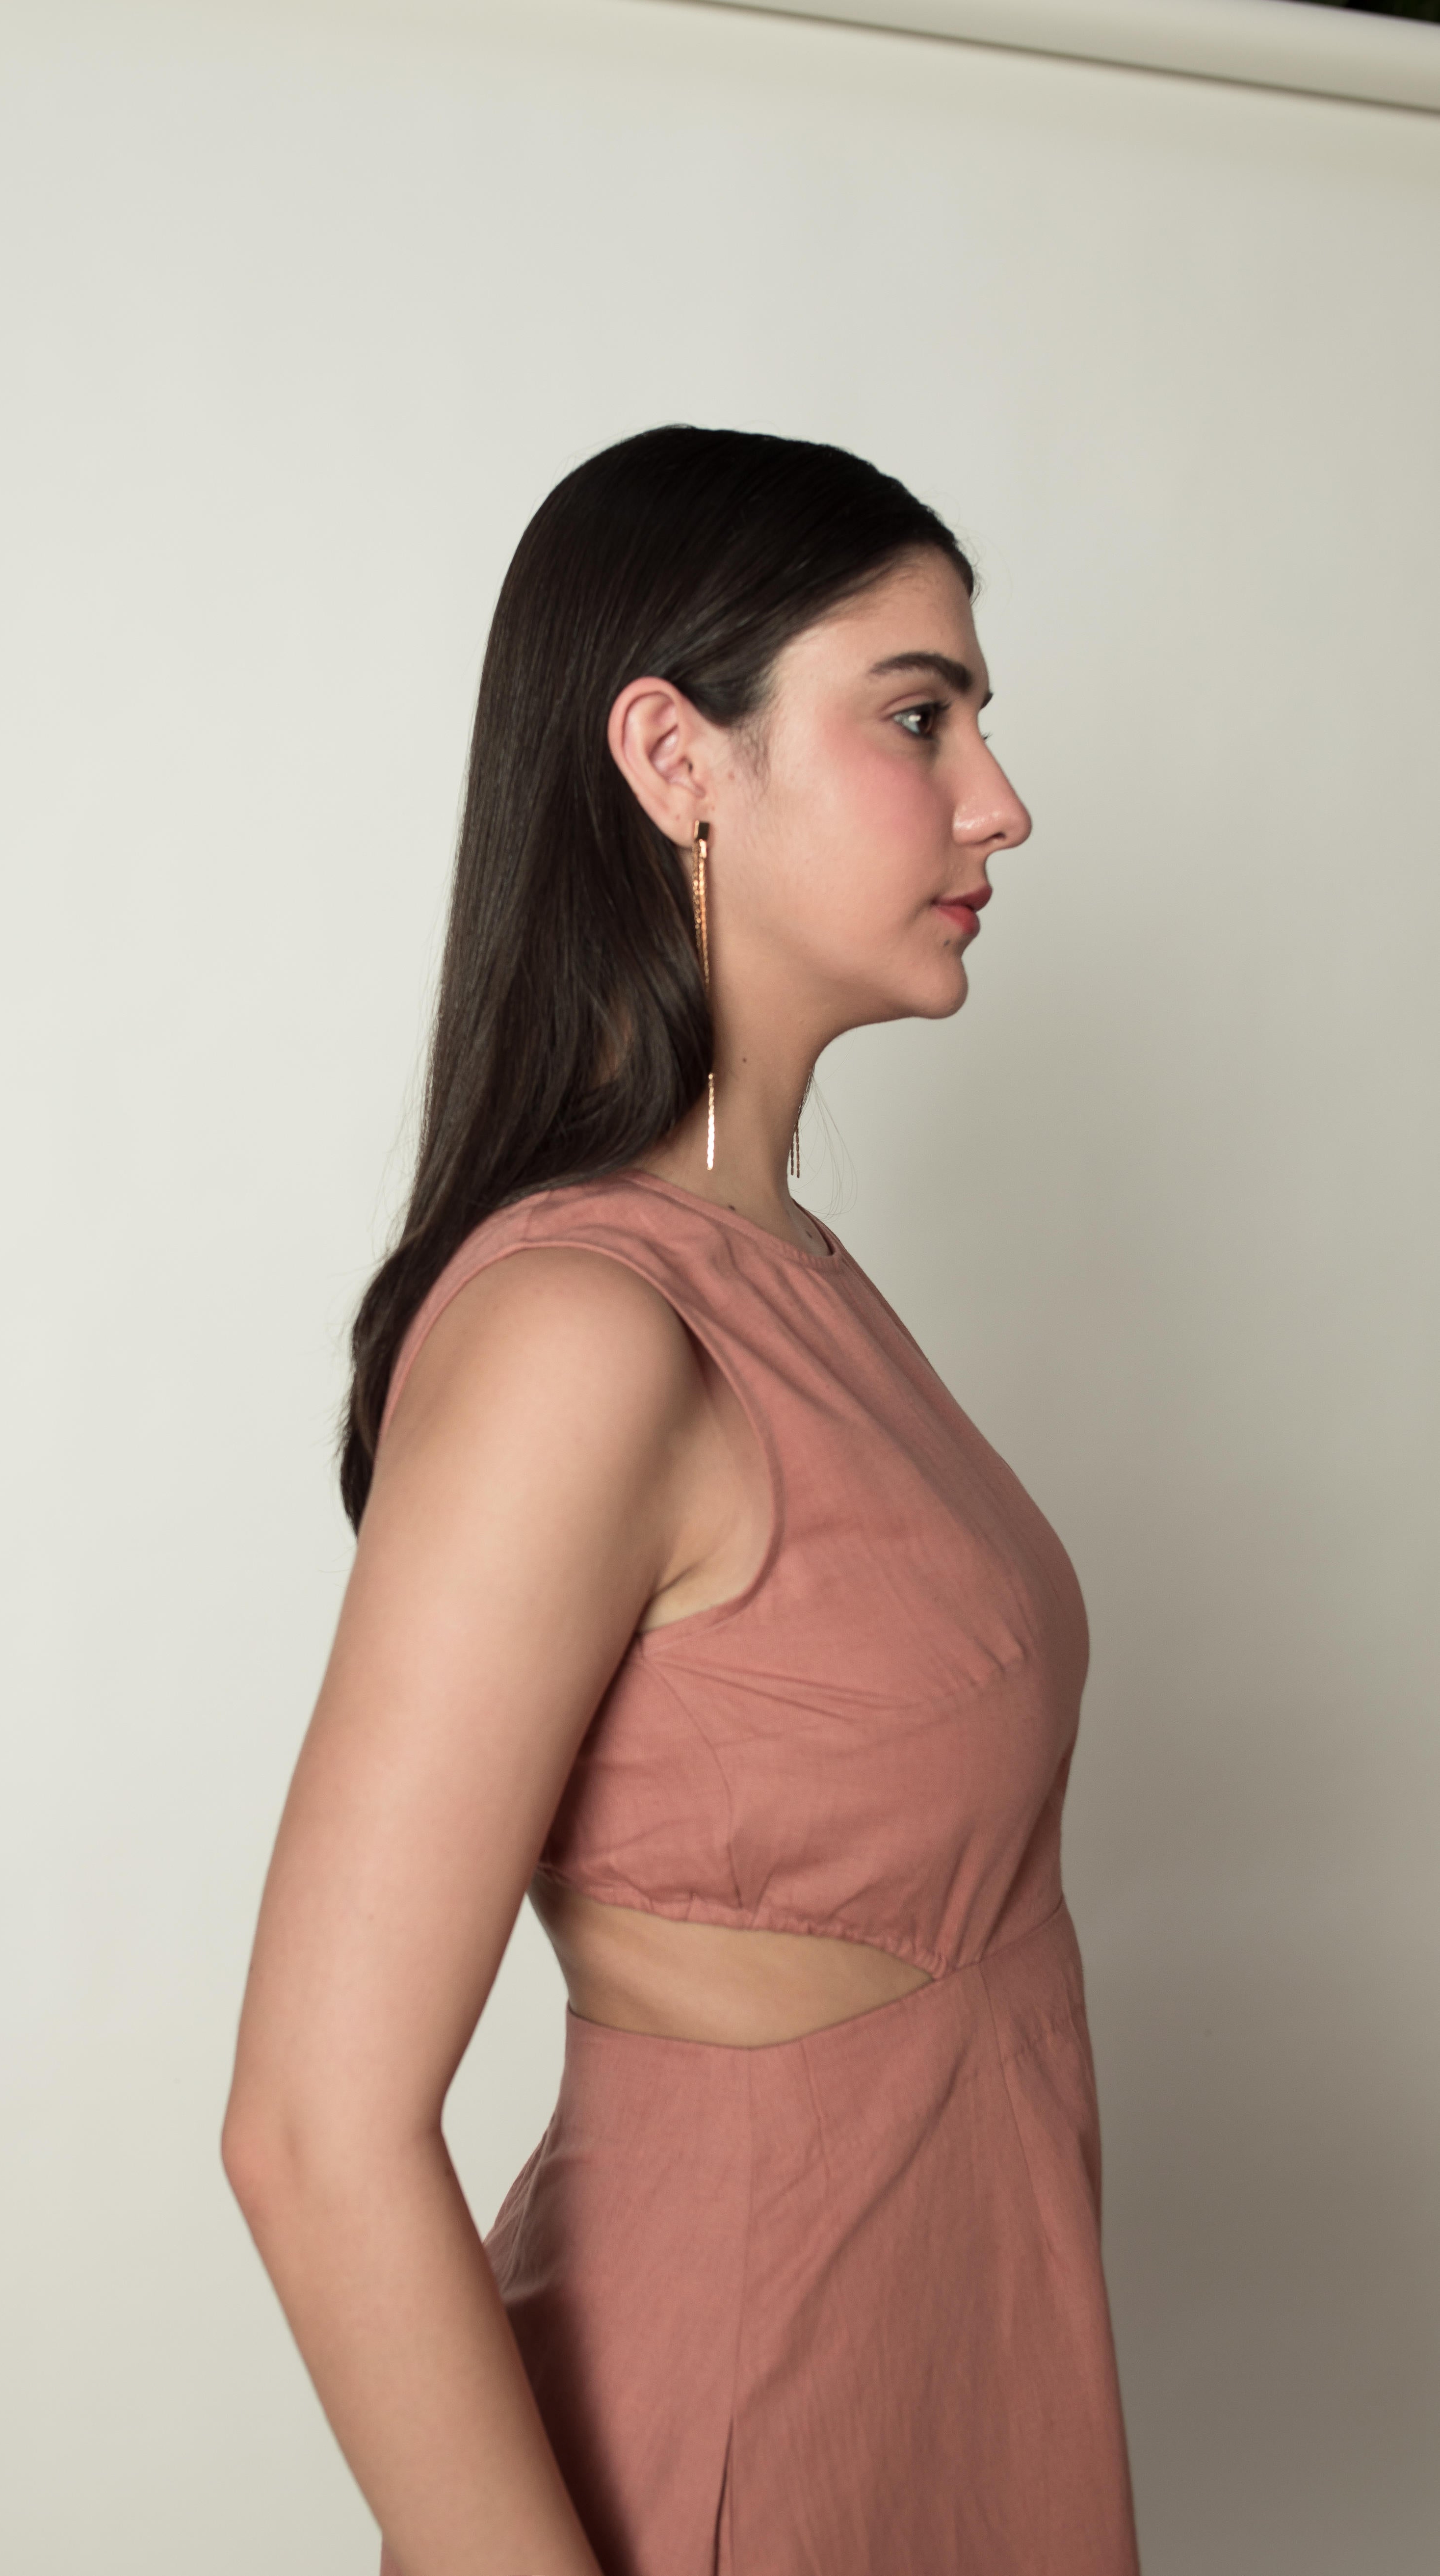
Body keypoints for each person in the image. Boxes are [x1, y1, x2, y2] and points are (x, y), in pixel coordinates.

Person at [221, 425, 1140, 2576]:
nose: (996, 798)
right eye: (915, 716)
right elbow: (313, 2130)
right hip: (729, 2443)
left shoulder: (787, 1274)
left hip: (943, 2399)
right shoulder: (584, 1333)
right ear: (671, 757)